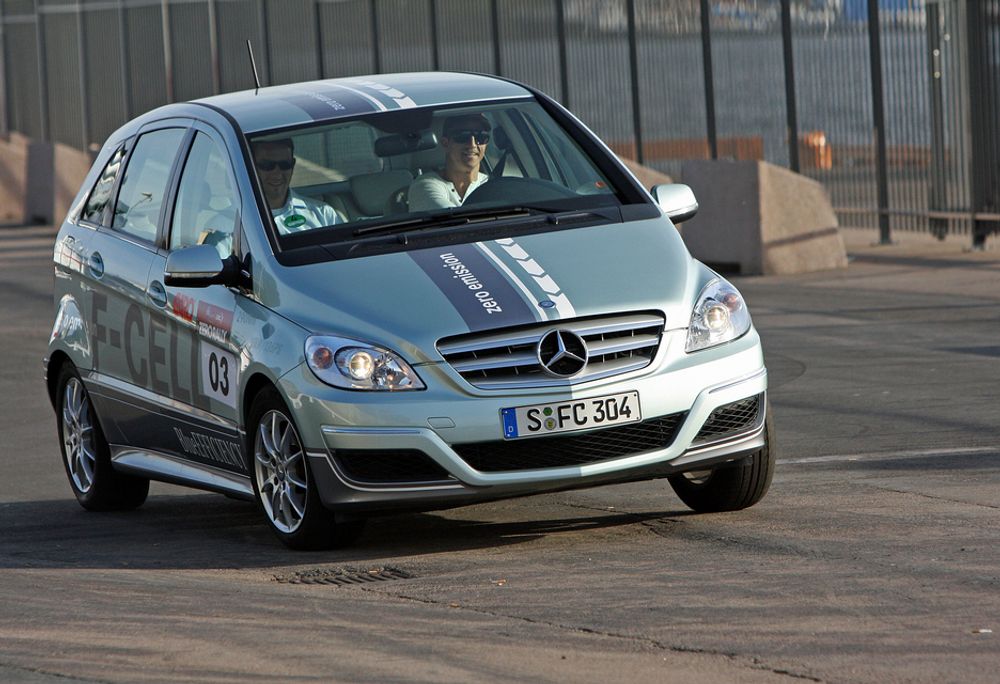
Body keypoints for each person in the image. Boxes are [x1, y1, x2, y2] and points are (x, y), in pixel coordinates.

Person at [251, 138, 343, 234]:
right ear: (251, 166)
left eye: (284, 165)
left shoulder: (323, 214)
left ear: (293, 165)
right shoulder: (238, 219)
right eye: (267, 165)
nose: (277, 174)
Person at [408, 114, 491, 212]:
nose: (472, 144)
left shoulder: (493, 184)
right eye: (463, 136)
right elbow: (451, 219)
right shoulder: (424, 185)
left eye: (480, 137)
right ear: (445, 143)